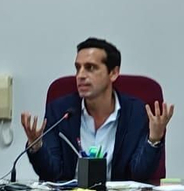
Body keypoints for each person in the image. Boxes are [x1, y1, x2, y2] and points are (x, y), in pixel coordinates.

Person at [22, 38, 174, 183]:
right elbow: (51, 173)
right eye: (78, 68)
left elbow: (139, 174)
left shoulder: (136, 112)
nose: (80, 75)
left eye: (90, 68)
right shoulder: (61, 111)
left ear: (113, 73)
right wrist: (36, 145)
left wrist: (154, 138)